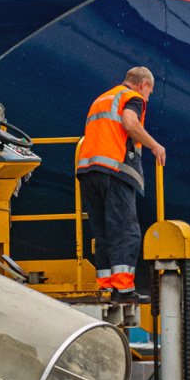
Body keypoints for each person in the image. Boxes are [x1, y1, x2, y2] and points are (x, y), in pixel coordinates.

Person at [74, 66, 167, 301]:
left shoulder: (102, 99)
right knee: (126, 231)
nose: (148, 98)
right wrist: (154, 145)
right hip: (114, 170)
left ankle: (106, 287)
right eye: (150, 92)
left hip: (87, 171)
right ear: (143, 85)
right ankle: (124, 289)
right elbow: (129, 123)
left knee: (103, 230)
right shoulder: (132, 98)